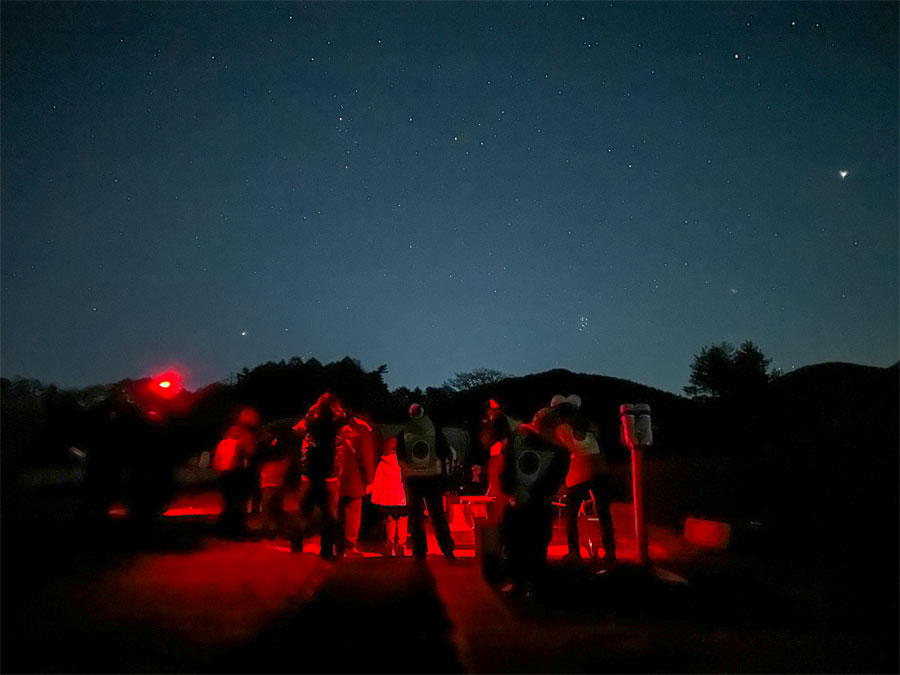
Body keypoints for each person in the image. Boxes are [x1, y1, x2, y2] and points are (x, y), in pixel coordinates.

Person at [499, 394, 574, 596]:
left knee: (519, 544)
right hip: (537, 505)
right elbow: (554, 481)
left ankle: (520, 583)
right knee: (534, 545)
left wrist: (512, 492)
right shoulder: (560, 452)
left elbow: (506, 467)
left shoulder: (518, 439)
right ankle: (530, 584)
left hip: (522, 502)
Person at [291, 393, 351, 559]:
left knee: (304, 510)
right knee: (329, 514)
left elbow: (297, 430)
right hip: (328, 473)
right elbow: (348, 429)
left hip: (310, 472)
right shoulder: (334, 424)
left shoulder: (310, 421)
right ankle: (326, 549)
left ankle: (296, 545)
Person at [396, 403, 455, 560]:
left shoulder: (404, 431)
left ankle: (419, 551)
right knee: (437, 515)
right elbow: (445, 452)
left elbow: (400, 456)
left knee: (416, 517)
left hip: (412, 479)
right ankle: (447, 550)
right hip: (432, 478)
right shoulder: (433, 428)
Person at [559, 410, 617, 564]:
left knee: (570, 514)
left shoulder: (563, 430)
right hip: (599, 470)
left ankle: (574, 552)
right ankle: (611, 552)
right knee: (604, 513)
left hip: (579, 471)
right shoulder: (591, 432)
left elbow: (562, 452)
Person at [213, 406, 260, 539]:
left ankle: (224, 530)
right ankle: (237, 531)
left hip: (225, 472)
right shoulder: (246, 435)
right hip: (239, 473)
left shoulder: (229, 433)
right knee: (239, 503)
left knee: (227, 503)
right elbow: (250, 453)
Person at [336, 411, 376, 556]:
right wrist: (370, 480)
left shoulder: (336, 426)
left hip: (335, 478)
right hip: (355, 479)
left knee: (337, 512)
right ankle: (349, 545)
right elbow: (366, 456)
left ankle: (336, 545)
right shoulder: (362, 429)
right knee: (353, 514)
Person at [370, 436, 409, 557]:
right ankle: (401, 545)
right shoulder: (405, 462)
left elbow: (378, 480)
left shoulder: (383, 462)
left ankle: (389, 544)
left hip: (387, 498)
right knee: (402, 520)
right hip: (402, 496)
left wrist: (375, 496)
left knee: (389, 520)